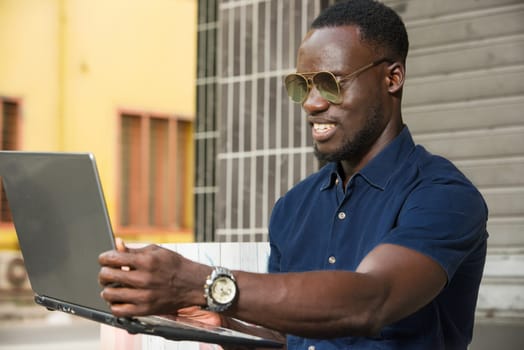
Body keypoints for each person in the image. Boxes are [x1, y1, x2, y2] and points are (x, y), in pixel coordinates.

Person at [98, 0, 488, 349]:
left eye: (330, 84)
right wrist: (222, 322)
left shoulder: (444, 196)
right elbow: (291, 339)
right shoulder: (294, 206)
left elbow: (371, 301)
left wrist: (201, 282)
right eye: (302, 86)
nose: (312, 104)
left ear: (392, 78)